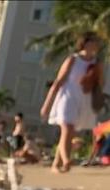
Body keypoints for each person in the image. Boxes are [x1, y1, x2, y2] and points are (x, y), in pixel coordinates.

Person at [41, 31, 103, 173]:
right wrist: (47, 104)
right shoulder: (73, 60)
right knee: (67, 129)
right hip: (67, 98)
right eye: (93, 41)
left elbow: (100, 83)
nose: (96, 44)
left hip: (84, 100)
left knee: (68, 133)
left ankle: (56, 164)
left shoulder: (97, 63)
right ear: (85, 43)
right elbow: (58, 82)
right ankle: (67, 160)